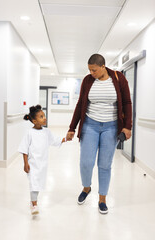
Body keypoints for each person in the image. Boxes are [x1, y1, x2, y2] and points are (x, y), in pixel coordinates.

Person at [66, 54, 132, 214]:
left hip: (111, 127)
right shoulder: (88, 80)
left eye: (94, 70)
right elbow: (80, 103)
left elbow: (127, 102)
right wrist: (72, 127)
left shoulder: (118, 78)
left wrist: (128, 126)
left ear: (103, 66)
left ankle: (102, 198)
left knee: (104, 165)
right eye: (89, 70)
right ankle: (86, 187)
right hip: (90, 125)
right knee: (86, 162)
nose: (91, 73)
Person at [18, 105, 67, 215]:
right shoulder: (29, 133)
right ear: (34, 121)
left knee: (38, 184)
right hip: (32, 163)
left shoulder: (46, 132)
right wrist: (25, 163)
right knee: (34, 183)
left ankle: (33, 201)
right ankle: (34, 204)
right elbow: (24, 149)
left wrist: (65, 139)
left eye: (44, 116)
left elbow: (54, 140)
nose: (44, 118)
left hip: (42, 164)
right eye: (41, 117)